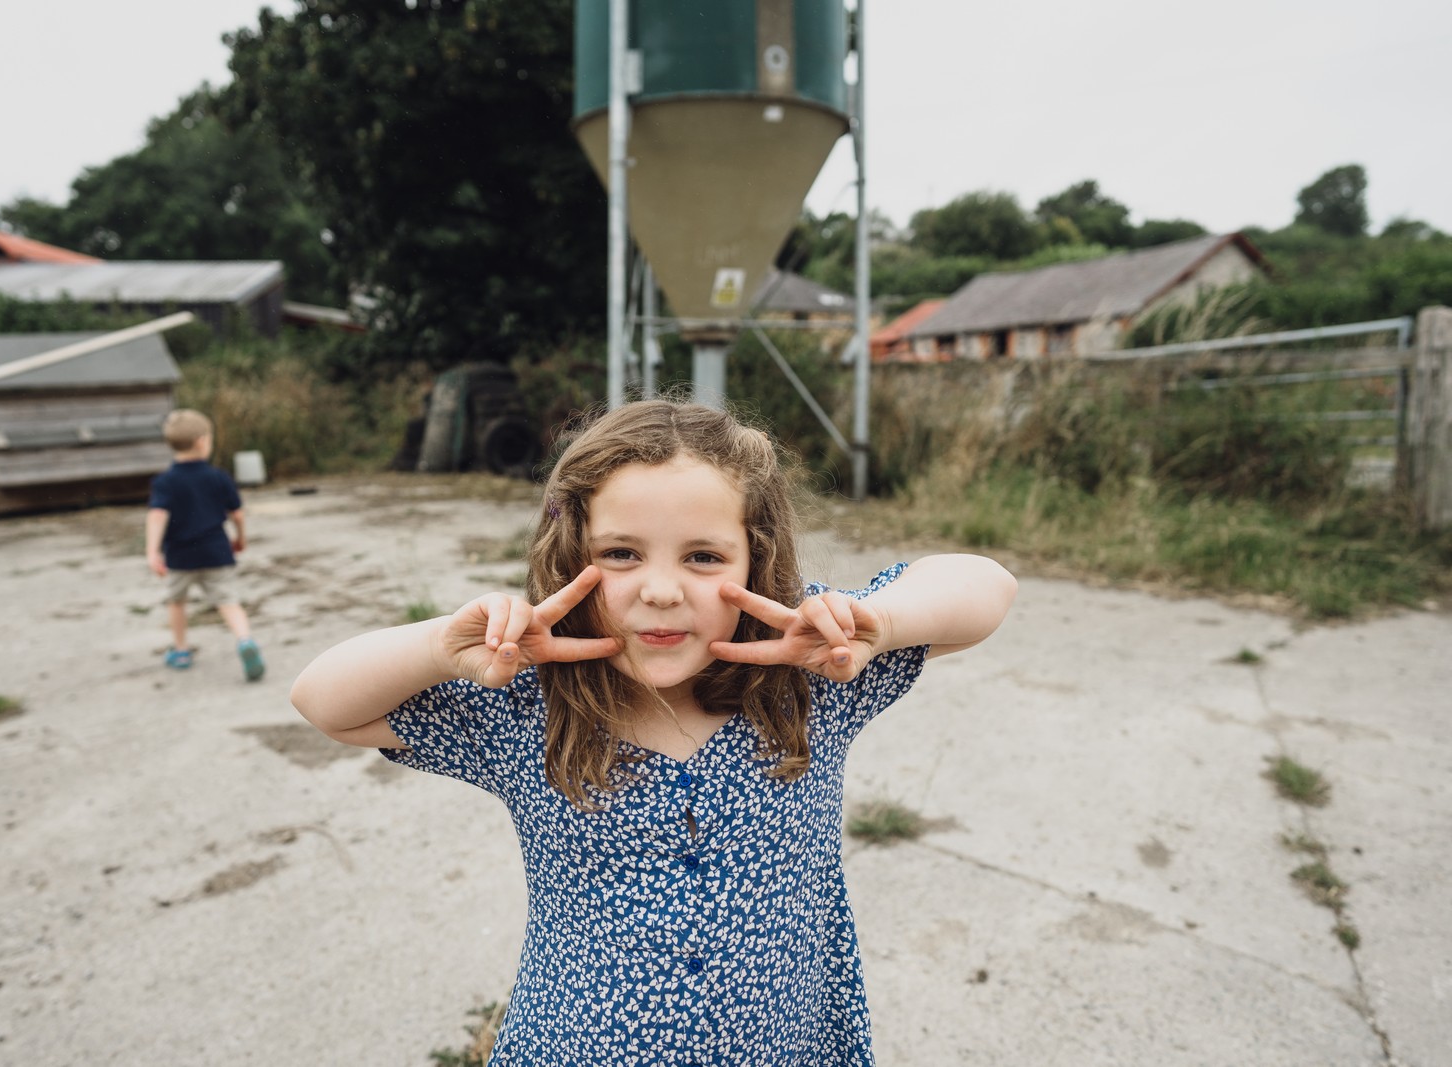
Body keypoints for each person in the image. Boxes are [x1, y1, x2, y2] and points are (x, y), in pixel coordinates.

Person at [290, 399, 1015, 1065]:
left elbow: (987, 587)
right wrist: (438, 646)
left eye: (703, 556)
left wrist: (878, 620)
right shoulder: (524, 704)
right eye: (621, 554)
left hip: (790, 1044)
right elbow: (323, 698)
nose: (661, 589)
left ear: (755, 559)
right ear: (572, 554)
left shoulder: (810, 676)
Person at [144, 409, 265, 682]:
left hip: (180, 557)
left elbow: (157, 515)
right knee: (228, 601)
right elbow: (237, 513)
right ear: (201, 441)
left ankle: (181, 650)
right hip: (216, 552)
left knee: (176, 602)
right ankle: (245, 640)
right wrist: (241, 538)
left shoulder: (165, 482)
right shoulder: (218, 477)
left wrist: (152, 552)